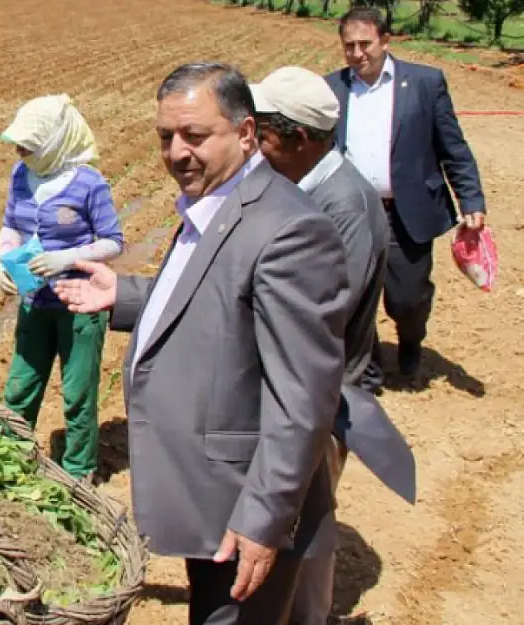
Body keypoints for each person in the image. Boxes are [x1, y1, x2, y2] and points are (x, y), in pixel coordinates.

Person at [55, 63, 349, 624]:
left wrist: (264, 519)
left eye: (194, 135)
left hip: (243, 506)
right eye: (166, 136)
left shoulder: (288, 230)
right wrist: (127, 295)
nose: (177, 152)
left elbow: (304, 400)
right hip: (208, 494)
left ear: (244, 133)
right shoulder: (214, 204)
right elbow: (216, 300)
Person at [251, 65, 395, 625]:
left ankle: (308, 617)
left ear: (301, 139)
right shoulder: (298, 186)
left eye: (264, 133)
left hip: (323, 395)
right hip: (287, 384)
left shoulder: (346, 208)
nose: (255, 144)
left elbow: (320, 317)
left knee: (306, 524)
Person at [326, 7, 487, 383]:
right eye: (349, 46)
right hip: (350, 212)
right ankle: (368, 366)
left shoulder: (425, 84)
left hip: (405, 212)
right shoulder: (332, 88)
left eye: (365, 44)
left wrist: (472, 200)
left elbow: (454, 148)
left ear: (385, 40)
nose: (357, 53)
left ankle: (411, 341)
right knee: (352, 294)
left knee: (407, 298)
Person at [0, 93, 124, 482]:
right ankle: (7, 458)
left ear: (54, 143)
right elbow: (11, 226)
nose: (20, 151)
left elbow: (114, 241)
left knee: (78, 393)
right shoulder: (21, 176)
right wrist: (5, 259)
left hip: (79, 305)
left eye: (29, 145)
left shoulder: (89, 184)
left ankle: (77, 472)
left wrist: (66, 259)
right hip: (34, 300)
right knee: (20, 386)